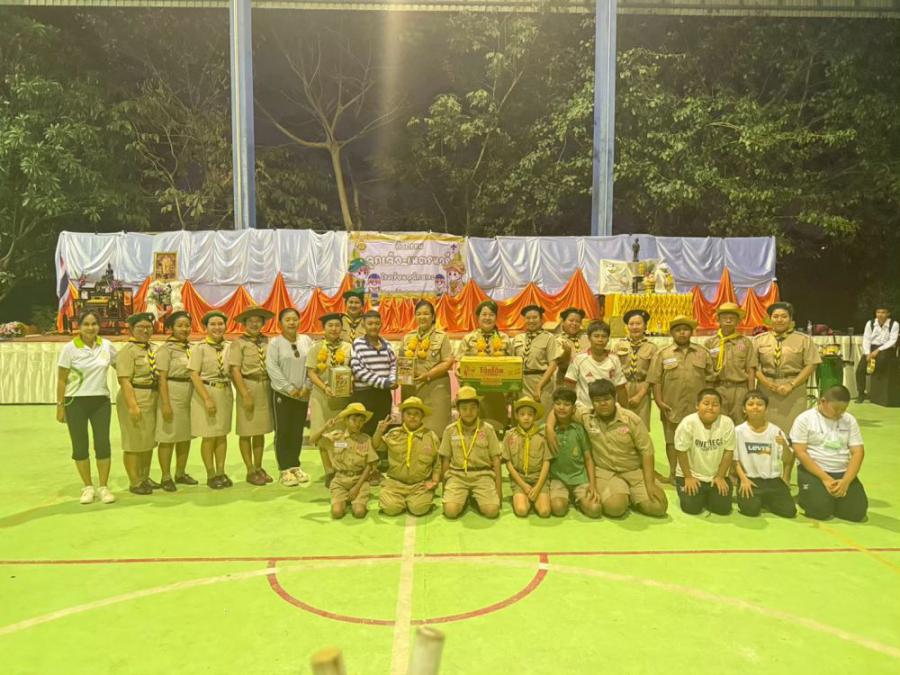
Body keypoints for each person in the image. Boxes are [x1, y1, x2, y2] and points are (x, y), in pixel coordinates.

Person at [547, 380, 667, 518]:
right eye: (597, 401)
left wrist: (650, 484)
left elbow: (647, 452)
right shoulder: (586, 417)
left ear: (614, 398)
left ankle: (633, 496)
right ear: (592, 402)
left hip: (633, 470)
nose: (602, 404)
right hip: (606, 472)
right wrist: (549, 428)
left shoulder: (631, 420)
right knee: (615, 508)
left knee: (658, 507)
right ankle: (623, 496)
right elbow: (559, 410)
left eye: (606, 399)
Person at [56, 310, 118, 504]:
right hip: (75, 402)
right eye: (86, 324)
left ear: (99, 325)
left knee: (102, 443)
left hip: (101, 402)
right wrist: (60, 406)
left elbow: (121, 368)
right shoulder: (69, 349)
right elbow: (61, 379)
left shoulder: (107, 346)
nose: (90, 328)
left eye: (94, 324)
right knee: (80, 445)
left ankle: (103, 487)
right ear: (79, 326)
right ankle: (88, 487)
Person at [648, 315, 714, 483]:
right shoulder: (662, 354)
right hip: (671, 406)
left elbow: (710, 379)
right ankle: (673, 474)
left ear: (691, 332)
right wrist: (659, 401)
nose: (682, 333)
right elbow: (655, 380)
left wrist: (708, 404)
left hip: (697, 407)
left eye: (685, 330)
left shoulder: (702, 353)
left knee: (697, 440)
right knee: (672, 441)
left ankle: (695, 472)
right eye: (678, 330)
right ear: (672, 333)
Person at [791, 385, 867, 522]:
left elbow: (858, 452)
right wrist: (825, 478)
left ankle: (833, 499)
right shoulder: (804, 419)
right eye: (836, 409)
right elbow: (800, 452)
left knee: (857, 513)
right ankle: (808, 497)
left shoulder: (849, 420)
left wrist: (846, 481)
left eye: (843, 409)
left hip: (842, 471)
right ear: (823, 401)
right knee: (819, 511)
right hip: (815, 471)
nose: (839, 413)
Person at [754, 302, 821, 434]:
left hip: (794, 389)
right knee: (765, 431)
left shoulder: (803, 340)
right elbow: (753, 366)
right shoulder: (759, 340)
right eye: (775, 316)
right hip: (766, 390)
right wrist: (767, 383)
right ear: (769, 319)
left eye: (784, 316)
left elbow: (811, 364)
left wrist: (791, 384)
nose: (779, 320)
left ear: (791, 319)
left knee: (794, 431)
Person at [438, 386, 503, 519]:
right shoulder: (450, 430)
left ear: (478, 408)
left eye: (473, 408)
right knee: (450, 511)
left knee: (492, 511)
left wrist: (499, 491)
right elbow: (445, 460)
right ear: (458, 410)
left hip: (482, 476)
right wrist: (444, 489)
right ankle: (464, 497)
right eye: (464, 408)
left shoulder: (488, 429)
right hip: (457, 476)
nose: (469, 412)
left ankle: (474, 499)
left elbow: (496, 460)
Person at [266, 307, 314, 487]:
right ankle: (284, 468)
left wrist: (307, 386)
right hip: (282, 394)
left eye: (295, 319)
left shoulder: (306, 340)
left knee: (297, 431)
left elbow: (312, 364)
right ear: (280, 323)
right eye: (287, 320)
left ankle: (295, 465)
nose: (292, 323)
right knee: (283, 431)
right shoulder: (275, 343)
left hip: (303, 394)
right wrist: (288, 388)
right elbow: (272, 368)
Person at [229, 306, 276, 486]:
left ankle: (258, 466)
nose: (254, 324)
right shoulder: (238, 343)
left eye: (258, 321)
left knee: (260, 431)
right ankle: (249, 469)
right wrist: (244, 394)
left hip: (265, 387)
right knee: (246, 430)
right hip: (248, 386)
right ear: (244, 323)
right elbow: (235, 370)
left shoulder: (267, 341)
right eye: (250, 321)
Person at [372, 396, 441, 516]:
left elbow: (437, 463)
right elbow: (376, 446)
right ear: (403, 416)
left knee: (419, 509)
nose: (412, 417)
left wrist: (434, 481)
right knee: (391, 509)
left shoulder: (430, 436)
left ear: (422, 416)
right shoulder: (393, 434)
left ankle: (414, 501)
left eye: (416, 414)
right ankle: (399, 501)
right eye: (408, 413)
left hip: (419, 485)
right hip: (395, 483)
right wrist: (379, 431)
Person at [733, 389, 796, 518]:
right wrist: (743, 480)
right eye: (750, 404)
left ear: (766, 409)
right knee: (750, 511)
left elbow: (788, 459)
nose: (755, 407)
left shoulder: (775, 431)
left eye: (760, 404)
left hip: (772, 479)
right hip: (750, 479)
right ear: (744, 409)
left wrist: (784, 445)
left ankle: (766, 498)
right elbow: (734, 460)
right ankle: (760, 498)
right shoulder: (738, 431)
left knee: (789, 511)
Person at [188, 311, 234, 489]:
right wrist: (207, 399)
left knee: (221, 435)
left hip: (225, 392)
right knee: (209, 436)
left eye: (220, 324)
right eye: (212, 324)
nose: (217, 327)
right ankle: (211, 473)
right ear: (205, 327)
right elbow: (194, 374)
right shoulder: (199, 348)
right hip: (206, 392)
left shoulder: (230, 347)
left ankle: (221, 471)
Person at [115, 312, 159, 496]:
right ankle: (134, 481)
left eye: (148, 327)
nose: (145, 331)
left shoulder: (153, 349)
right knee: (133, 441)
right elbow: (124, 380)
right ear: (131, 330)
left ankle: (145, 476)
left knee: (148, 441)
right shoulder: (128, 351)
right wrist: (132, 406)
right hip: (134, 395)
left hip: (152, 396)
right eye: (140, 327)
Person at [673, 388, 735, 516]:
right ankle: (699, 494)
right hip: (691, 475)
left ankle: (708, 495)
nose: (710, 408)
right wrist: (688, 477)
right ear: (697, 405)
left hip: (715, 476)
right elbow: (681, 451)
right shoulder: (688, 423)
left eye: (715, 404)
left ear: (720, 407)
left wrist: (720, 476)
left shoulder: (727, 423)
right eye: (706, 403)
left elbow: (729, 451)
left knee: (722, 509)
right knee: (691, 508)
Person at [311, 402, 377, 519]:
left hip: (359, 481)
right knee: (337, 513)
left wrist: (356, 488)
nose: (358, 424)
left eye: (361, 421)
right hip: (340, 481)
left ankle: (355, 501)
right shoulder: (337, 438)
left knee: (359, 512)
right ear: (346, 420)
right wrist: (325, 427)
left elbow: (369, 465)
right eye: (354, 420)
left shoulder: (365, 439)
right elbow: (313, 440)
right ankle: (344, 500)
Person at [155, 311, 197, 491]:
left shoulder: (192, 348)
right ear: (171, 328)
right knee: (168, 436)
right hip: (172, 392)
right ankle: (165, 476)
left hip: (190, 393)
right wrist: (165, 403)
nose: (184, 329)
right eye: (180, 325)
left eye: (187, 325)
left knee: (185, 436)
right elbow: (161, 378)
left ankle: (180, 472)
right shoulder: (166, 350)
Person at [400, 300, 454, 436]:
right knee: (411, 431)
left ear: (433, 316)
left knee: (436, 431)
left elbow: (448, 361)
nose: (422, 317)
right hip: (411, 390)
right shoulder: (407, 338)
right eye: (418, 314)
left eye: (426, 314)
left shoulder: (442, 337)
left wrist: (428, 375)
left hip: (435, 388)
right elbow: (401, 362)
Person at [456, 301, 512, 431]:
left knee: (497, 428)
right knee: (473, 427)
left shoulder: (504, 338)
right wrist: (459, 371)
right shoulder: (468, 339)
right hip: (474, 393)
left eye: (491, 314)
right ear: (478, 317)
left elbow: (512, 363)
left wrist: (508, 391)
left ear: (496, 317)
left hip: (498, 392)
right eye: (484, 314)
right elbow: (459, 362)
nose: (487, 318)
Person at [545, 388, 601, 518]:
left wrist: (593, 485)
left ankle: (578, 500)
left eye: (566, 404)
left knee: (595, 510)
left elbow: (588, 459)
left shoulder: (579, 430)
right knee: (558, 509)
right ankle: (566, 498)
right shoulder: (548, 431)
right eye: (558, 404)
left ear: (573, 409)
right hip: (558, 478)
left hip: (580, 478)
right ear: (553, 407)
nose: (561, 407)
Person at [705, 302, 757, 424]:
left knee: (740, 422)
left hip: (740, 389)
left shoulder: (745, 342)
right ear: (718, 320)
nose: (728, 320)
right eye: (725, 317)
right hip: (718, 388)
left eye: (732, 318)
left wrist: (751, 393)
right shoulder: (710, 343)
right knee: (718, 423)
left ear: (738, 321)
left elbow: (751, 369)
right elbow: (706, 370)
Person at [350, 310, 398, 438]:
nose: (373, 326)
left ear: (381, 324)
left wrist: (392, 380)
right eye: (370, 323)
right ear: (363, 325)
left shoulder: (387, 344)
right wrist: (384, 383)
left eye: (377, 323)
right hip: (364, 394)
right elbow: (358, 370)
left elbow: (393, 365)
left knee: (382, 429)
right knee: (363, 430)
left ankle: (380, 451)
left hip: (383, 395)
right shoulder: (357, 344)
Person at [306, 313, 354, 440]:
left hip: (342, 398)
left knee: (341, 433)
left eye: (337, 325)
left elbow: (354, 370)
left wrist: (350, 383)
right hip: (320, 396)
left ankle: (340, 453)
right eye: (330, 325)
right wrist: (324, 387)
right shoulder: (315, 348)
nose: (334, 329)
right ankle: (324, 453)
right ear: (324, 328)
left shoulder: (348, 347)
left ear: (342, 328)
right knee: (321, 433)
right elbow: (311, 372)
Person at [502, 397, 551, 518]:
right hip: (519, 479)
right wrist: (523, 485)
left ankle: (534, 498)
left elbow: (546, 462)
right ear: (516, 416)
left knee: (545, 512)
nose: (526, 417)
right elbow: (508, 462)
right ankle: (523, 498)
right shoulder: (509, 435)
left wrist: (538, 487)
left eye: (530, 414)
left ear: (535, 416)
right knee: (521, 510)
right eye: (522, 414)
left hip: (538, 479)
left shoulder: (542, 436)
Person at [564, 320, 627, 410]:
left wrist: (624, 411)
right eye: (596, 336)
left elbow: (620, 387)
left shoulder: (614, 359)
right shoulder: (579, 359)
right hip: (584, 409)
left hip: (608, 410)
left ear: (608, 339)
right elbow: (569, 386)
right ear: (589, 338)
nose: (600, 340)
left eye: (604, 336)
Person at [510, 304, 561, 414]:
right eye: (528, 318)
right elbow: (512, 363)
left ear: (541, 319)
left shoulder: (549, 338)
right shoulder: (518, 338)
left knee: (541, 416)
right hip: (522, 384)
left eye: (535, 317)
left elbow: (553, 364)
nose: (531, 321)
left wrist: (539, 386)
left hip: (542, 382)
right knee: (523, 415)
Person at [612, 308, 657, 431]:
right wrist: (620, 392)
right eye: (631, 324)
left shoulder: (652, 348)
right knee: (622, 424)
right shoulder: (619, 345)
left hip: (642, 388)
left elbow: (653, 374)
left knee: (640, 426)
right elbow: (614, 370)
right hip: (622, 386)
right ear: (627, 326)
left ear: (645, 326)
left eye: (638, 323)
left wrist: (640, 395)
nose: (635, 327)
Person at [856, 305, 898, 403]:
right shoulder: (870, 323)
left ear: (888, 313)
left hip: (886, 348)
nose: (880, 315)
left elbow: (892, 340)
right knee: (860, 370)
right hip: (871, 348)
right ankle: (861, 394)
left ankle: (877, 393)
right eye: (878, 312)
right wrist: (867, 353)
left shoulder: (894, 324)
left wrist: (878, 350)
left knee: (880, 363)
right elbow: (866, 339)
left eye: (883, 312)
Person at [555, 307, 589, 387]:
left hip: (585, 381)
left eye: (578, 321)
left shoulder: (587, 339)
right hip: (564, 381)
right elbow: (560, 364)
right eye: (571, 320)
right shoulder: (557, 340)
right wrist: (566, 353)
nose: (574, 324)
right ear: (563, 322)